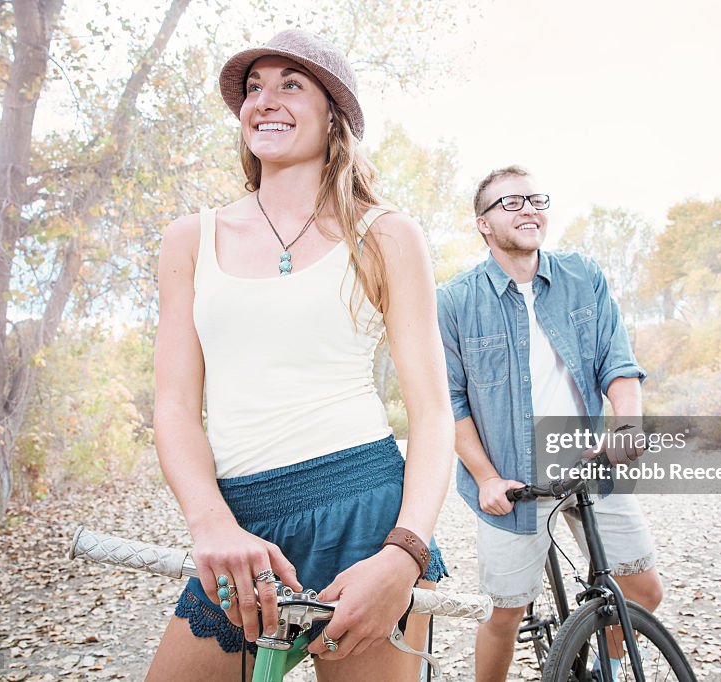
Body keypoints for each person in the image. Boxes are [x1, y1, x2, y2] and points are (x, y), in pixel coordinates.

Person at [146, 30, 453, 681]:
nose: (265, 100)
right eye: (254, 87)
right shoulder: (190, 240)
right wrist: (212, 525)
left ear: (333, 113)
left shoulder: (387, 236)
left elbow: (432, 415)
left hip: (365, 513)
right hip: (239, 531)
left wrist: (404, 555)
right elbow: (174, 407)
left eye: (291, 84)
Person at [436, 166, 663, 681]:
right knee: (506, 614)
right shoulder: (454, 301)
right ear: (483, 225)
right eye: (510, 203)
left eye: (535, 199)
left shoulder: (583, 276)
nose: (528, 209)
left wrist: (627, 426)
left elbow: (618, 364)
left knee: (644, 591)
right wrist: (487, 476)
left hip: (591, 464)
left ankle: (601, 667)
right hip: (512, 482)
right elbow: (449, 403)